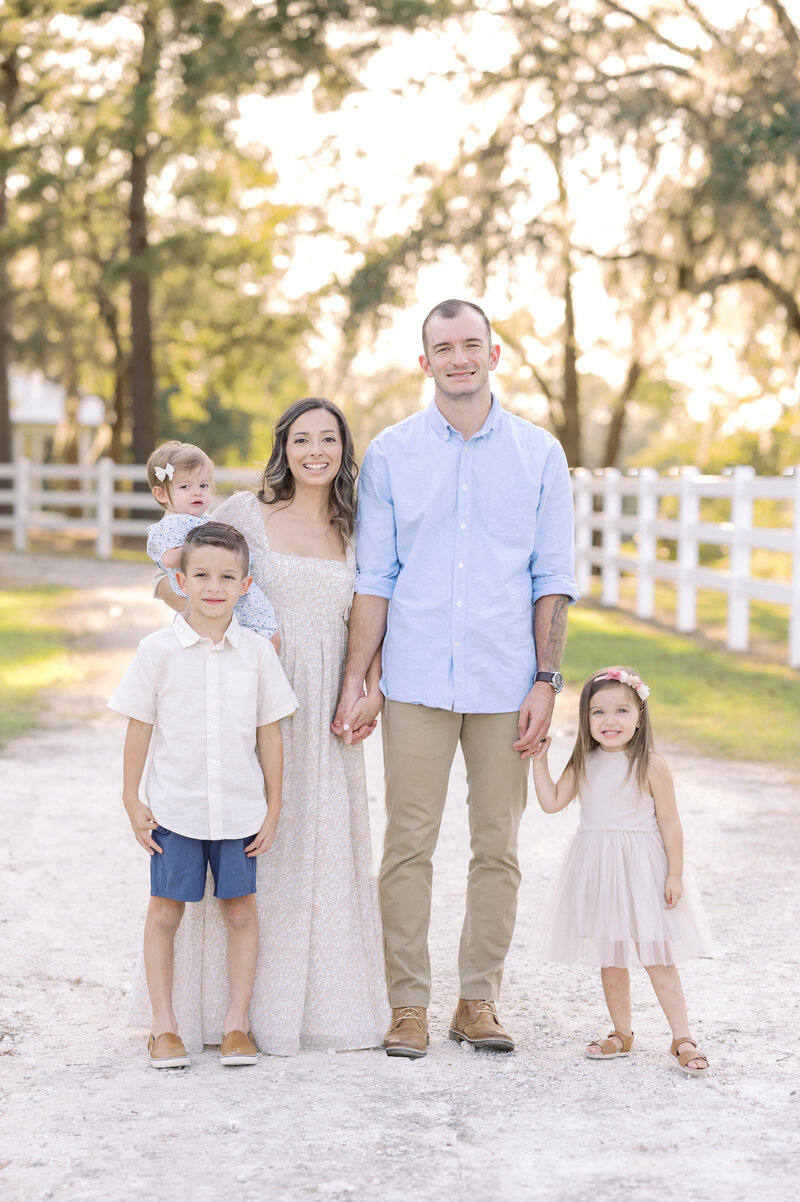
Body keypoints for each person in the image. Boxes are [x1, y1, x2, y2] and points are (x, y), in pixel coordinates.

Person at [333, 298, 579, 1058]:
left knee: (498, 845)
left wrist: (546, 679)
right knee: (407, 843)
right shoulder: (391, 454)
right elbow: (375, 576)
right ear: (425, 361)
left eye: (472, 344)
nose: (460, 357)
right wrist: (357, 676)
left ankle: (478, 1000)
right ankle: (407, 1004)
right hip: (413, 682)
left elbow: (553, 577)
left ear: (494, 354)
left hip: (508, 681)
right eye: (445, 347)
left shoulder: (540, 454)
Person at [147, 398, 388, 1055]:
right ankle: (216, 1014)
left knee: (315, 840)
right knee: (242, 836)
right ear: (283, 447)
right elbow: (173, 574)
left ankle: (305, 1007)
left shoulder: (358, 527)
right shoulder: (243, 514)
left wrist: (374, 685)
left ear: (343, 449)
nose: (316, 450)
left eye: (329, 439)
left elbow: (383, 610)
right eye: (302, 438)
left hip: (327, 701)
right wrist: (209, 625)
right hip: (247, 695)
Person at [109, 523, 298, 1067]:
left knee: (240, 912)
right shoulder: (157, 651)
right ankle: (163, 1026)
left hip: (240, 808)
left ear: (246, 584)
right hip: (176, 807)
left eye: (227, 576)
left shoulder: (258, 653)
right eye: (201, 575)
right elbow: (139, 725)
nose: (213, 586)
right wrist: (131, 797)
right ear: (180, 580)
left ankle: (237, 1024)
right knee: (165, 910)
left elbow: (270, 731)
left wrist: (275, 805)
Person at [530, 666, 712, 1076]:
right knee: (611, 958)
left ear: (639, 716)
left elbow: (670, 822)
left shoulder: (650, 765)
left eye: (621, 711)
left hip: (642, 868)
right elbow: (552, 801)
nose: (609, 721)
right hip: (599, 868)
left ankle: (682, 1036)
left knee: (657, 955)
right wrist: (539, 762)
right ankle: (621, 1032)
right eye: (598, 712)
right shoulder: (583, 761)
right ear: (585, 719)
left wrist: (675, 874)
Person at [145, 440, 279, 645]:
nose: (197, 492)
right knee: (259, 637)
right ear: (161, 494)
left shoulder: (202, 518)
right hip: (208, 592)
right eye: (185, 486)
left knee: (261, 637)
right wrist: (203, 552)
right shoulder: (169, 525)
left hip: (227, 589)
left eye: (203, 485)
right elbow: (169, 559)